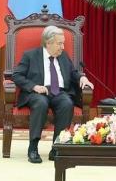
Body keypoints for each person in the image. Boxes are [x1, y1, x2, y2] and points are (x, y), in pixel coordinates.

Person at [10, 25, 95, 163]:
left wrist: (82, 78)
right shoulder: (31, 55)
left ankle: (57, 147)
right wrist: (34, 86)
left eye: (63, 43)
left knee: (67, 103)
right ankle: (33, 148)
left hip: (59, 92)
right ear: (48, 43)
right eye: (59, 43)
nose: (62, 47)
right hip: (38, 92)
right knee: (41, 103)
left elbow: (73, 73)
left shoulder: (63, 56)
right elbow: (17, 75)